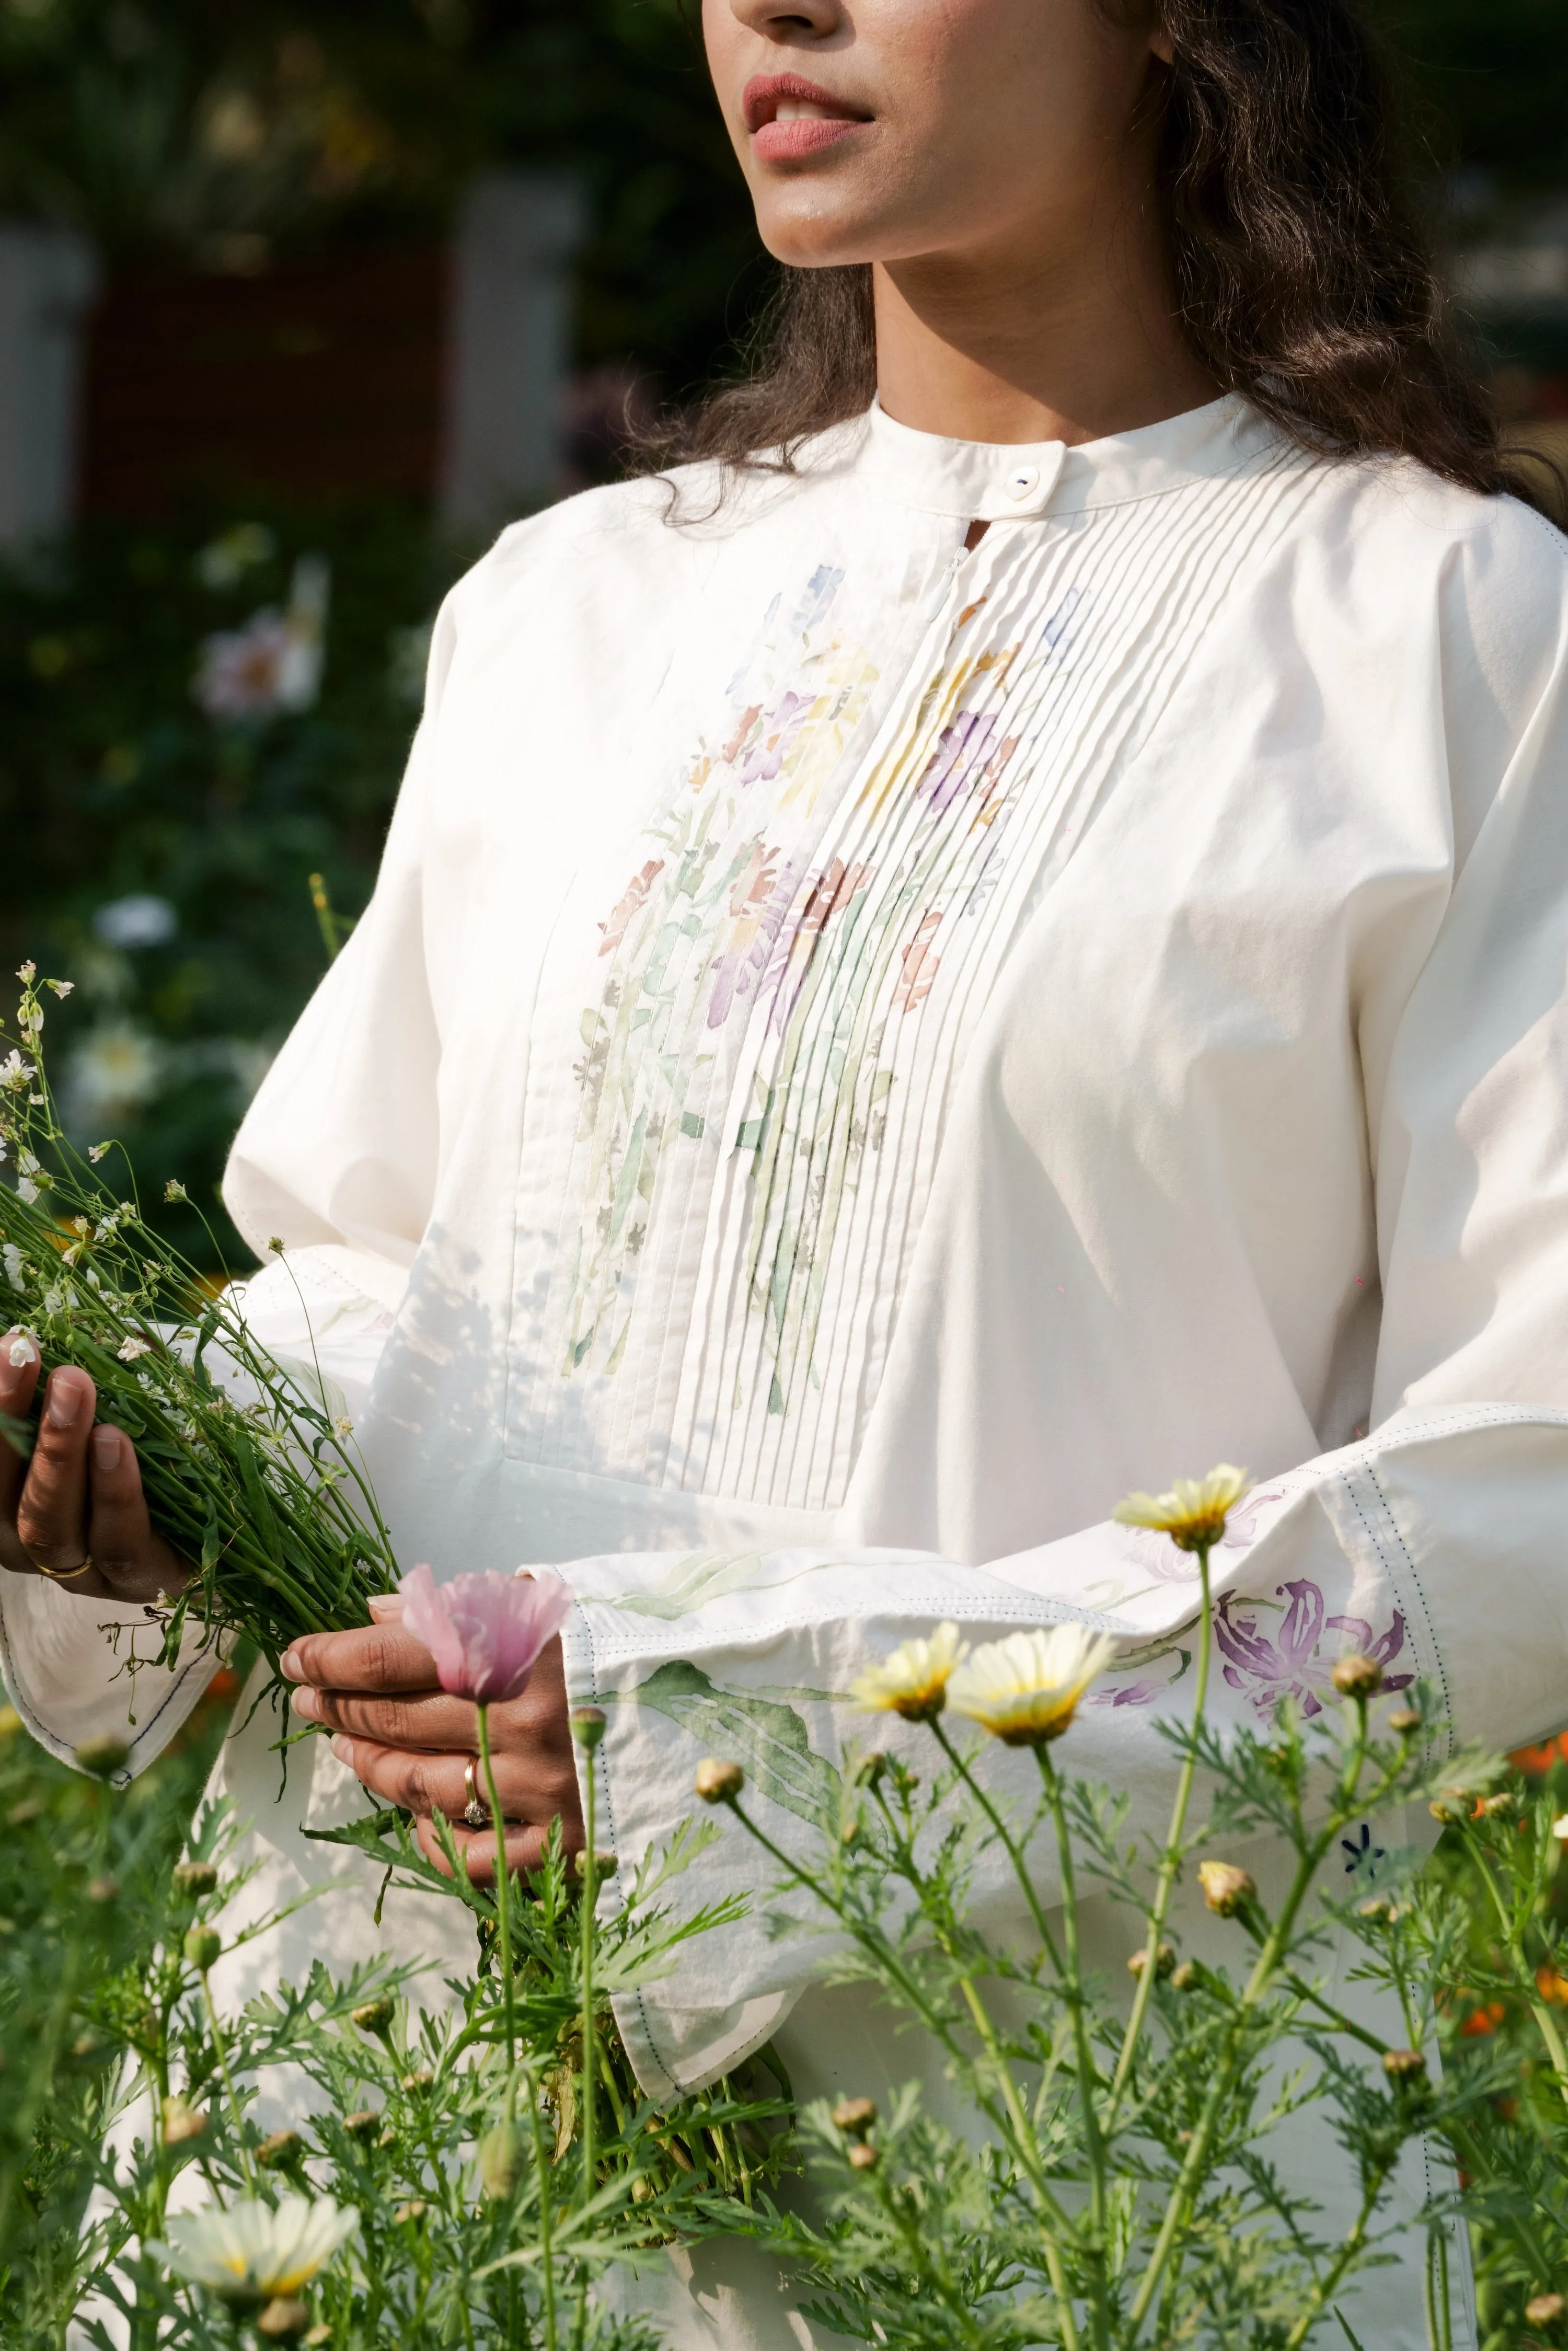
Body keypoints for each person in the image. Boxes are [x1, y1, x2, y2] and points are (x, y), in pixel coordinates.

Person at [5, 0, 1568, 2340]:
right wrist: (146, 1459)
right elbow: (386, 1272)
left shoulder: (1449, 638)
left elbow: (1524, 1475)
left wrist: (760, 1736)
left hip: (1076, 2165)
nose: (781, 7)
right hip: (389, 2121)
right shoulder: (569, 615)